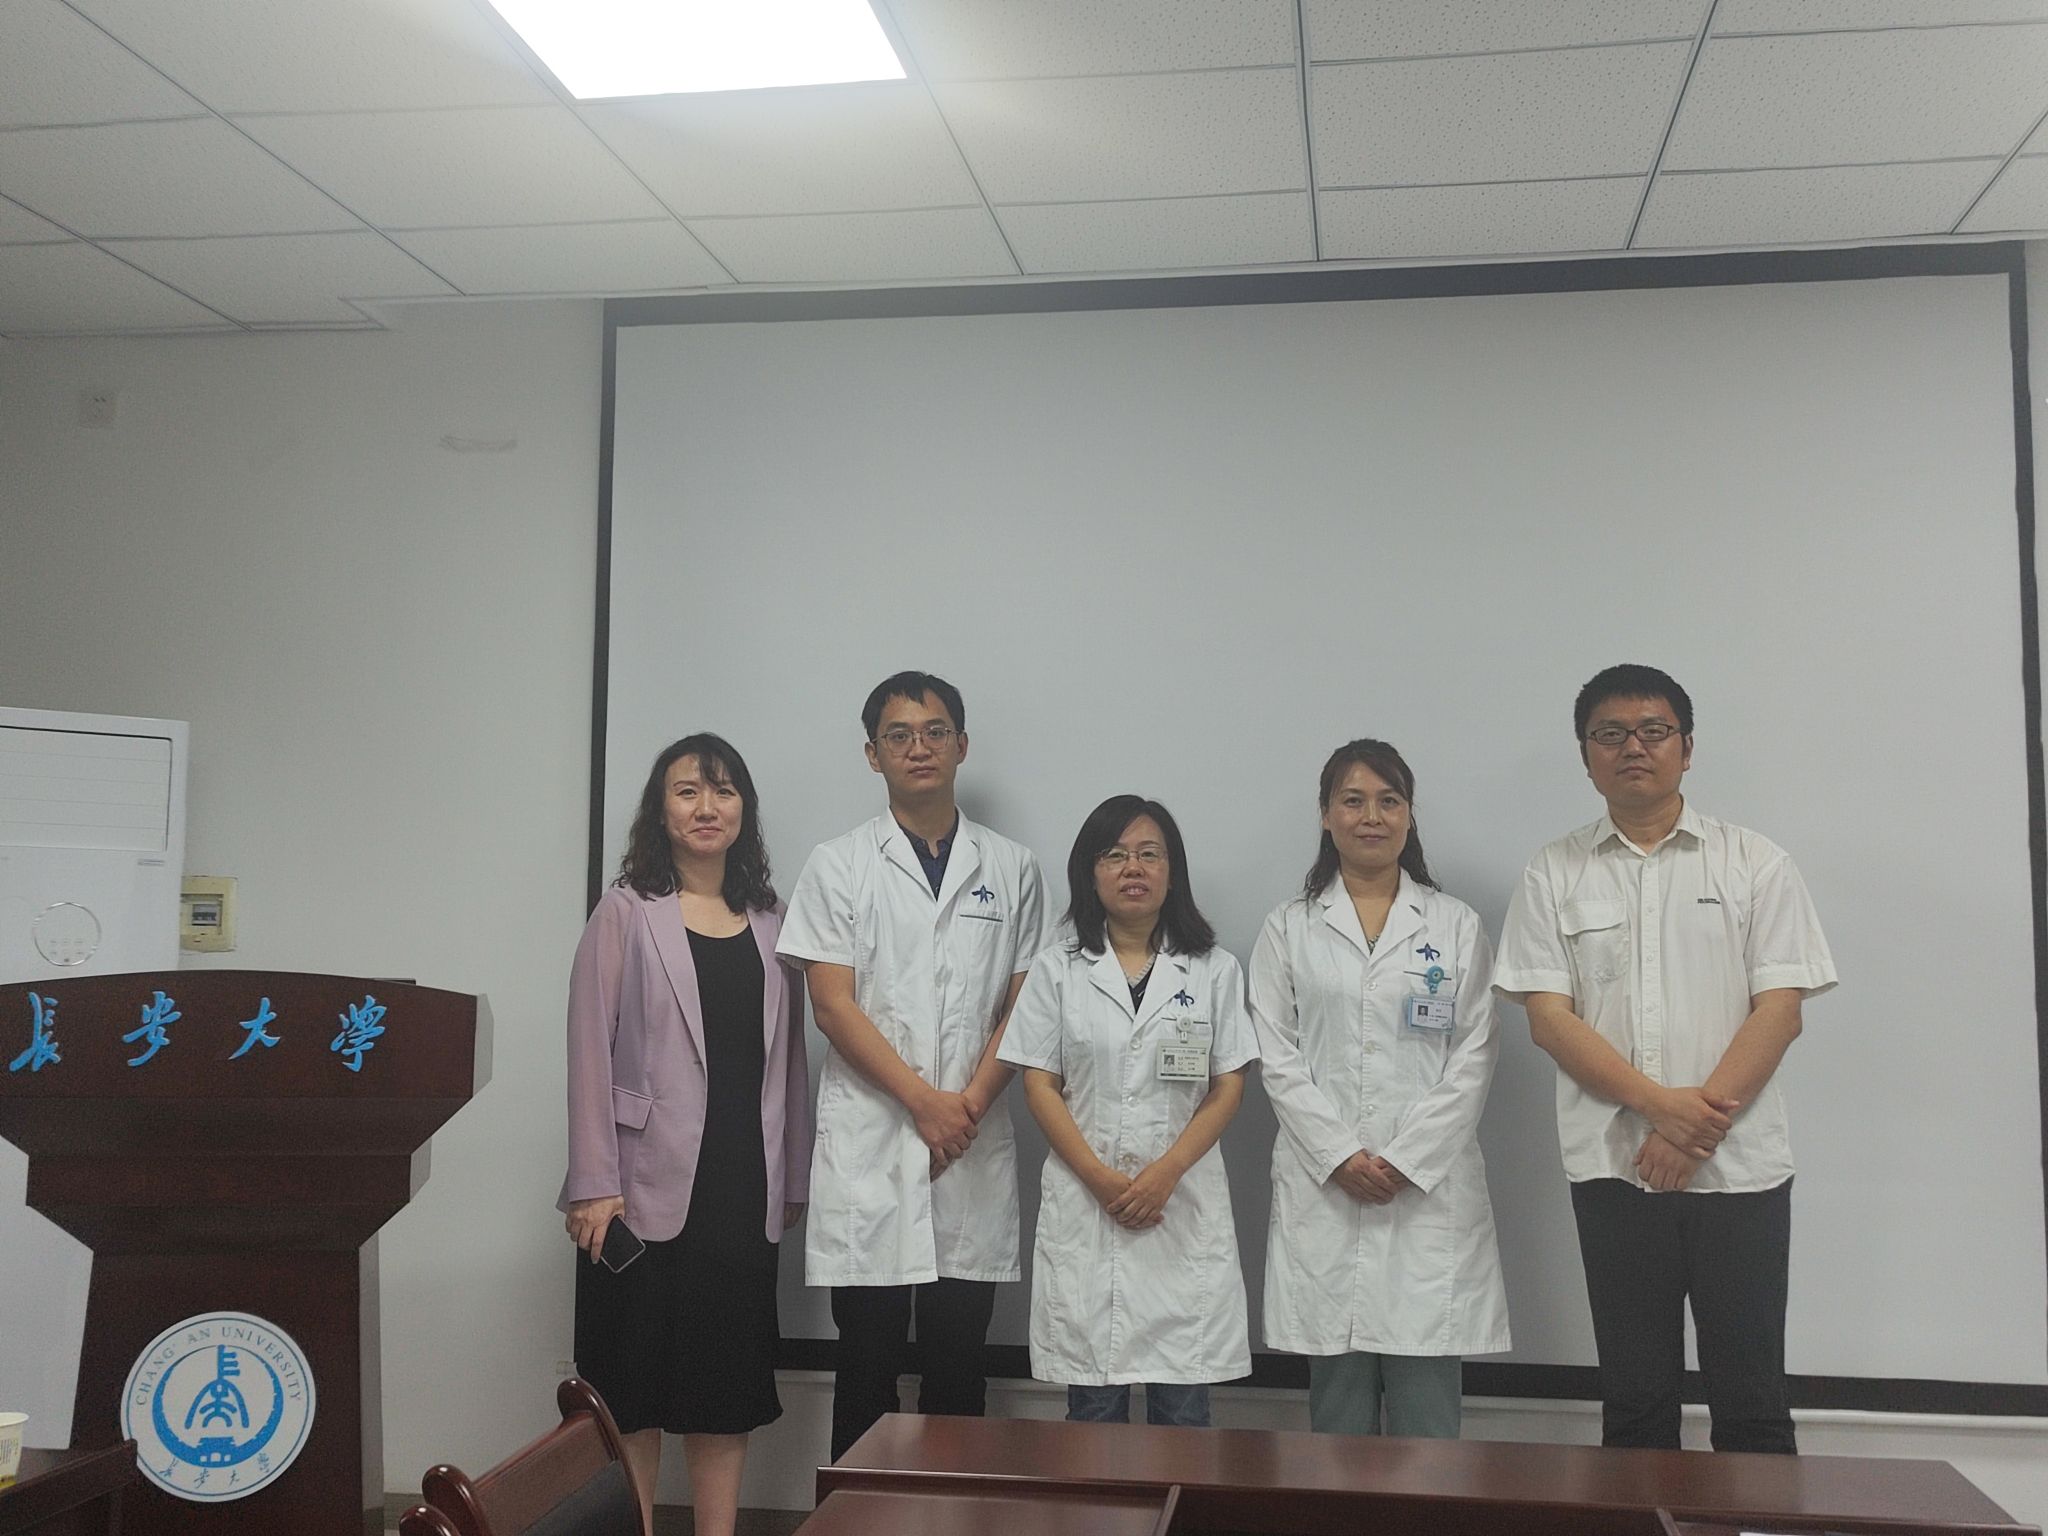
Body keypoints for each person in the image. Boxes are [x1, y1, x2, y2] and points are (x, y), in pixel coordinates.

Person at [1495, 665, 1836, 1454]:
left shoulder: (1755, 863)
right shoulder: (1554, 871)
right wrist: (1659, 1110)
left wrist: (1690, 1130)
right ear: (1586, 756)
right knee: (1636, 1403)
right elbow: (1550, 1020)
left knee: (1752, 1401)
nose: (1633, 748)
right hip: (1616, 1169)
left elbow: (1780, 1012)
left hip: (1740, 1172)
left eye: (1653, 731)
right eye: (1610, 734)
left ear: (1687, 747)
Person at [777, 671, 1050, 1461]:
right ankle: (859, 1516)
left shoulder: (1013, 867)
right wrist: (926, 1105)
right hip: (875, 1143)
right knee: (865, 1368)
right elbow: (833, 1006)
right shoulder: (837, 864)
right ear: (873, 755)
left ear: (962, 745)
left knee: (959, 1370)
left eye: (934, 732)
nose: (918, 748)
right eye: (898, 735)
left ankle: (957, 1514)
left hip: (969, 1141)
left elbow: (1025, 1006)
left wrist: (965, 1106)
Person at [559, 734, 811, 1536]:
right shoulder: (626, 912)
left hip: (742, 1186)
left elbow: (790, 1061)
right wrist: (594, 1182)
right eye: (688, 791)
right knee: (631, 1397)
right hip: (638, 1190)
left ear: (745, 811)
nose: (707, 807)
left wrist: (794, 1175)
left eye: (724, 791)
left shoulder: (773, 922)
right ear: (660, 811)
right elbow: (588, 1048)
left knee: (723, 1394)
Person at [1249, 740, 1509, 1439]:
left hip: (1425, 1191)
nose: (1372, 816)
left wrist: (1406, 1159)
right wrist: (1338, 1155)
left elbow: (1475, 1054)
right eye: (1353, 801)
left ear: (1409, 815)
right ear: (1326, 814)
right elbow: (1276, 1054)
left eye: (1389, 801)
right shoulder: (1289, 927)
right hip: (1326, 1187)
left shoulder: (1454, 926)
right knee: (1337, 1413)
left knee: (1429, 1419)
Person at [999, 795, 1255, 1426]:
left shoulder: (1214, 970)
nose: (1132, 868)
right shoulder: (1057, 970)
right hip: (1088, 1204)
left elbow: (1228, 1086)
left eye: (1149, 854)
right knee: (1093, 1415)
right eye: (1114, 855)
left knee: (1183, 1418)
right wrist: (1098, 1177)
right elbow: (1039, 1085)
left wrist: (1166, 1173)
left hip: (1180, 1206)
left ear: (1173, 871)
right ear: (1090, 873)